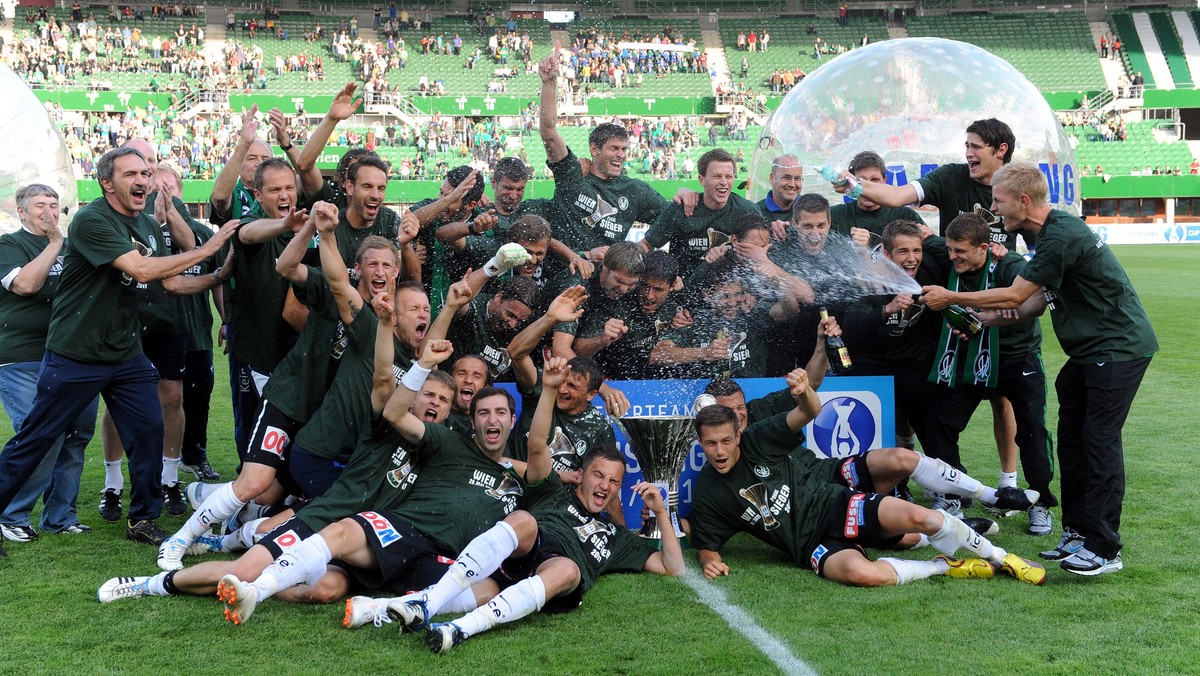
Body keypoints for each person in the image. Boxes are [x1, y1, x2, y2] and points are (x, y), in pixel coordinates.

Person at [921, 163, 1158, 576]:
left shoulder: (1061, 233)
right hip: (1089, 353)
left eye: (998, 199)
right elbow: (1034, 301)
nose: (992, 207)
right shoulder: (1045, 234)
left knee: (1099, 441)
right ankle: (1078, 533)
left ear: (1023, 201)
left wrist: (955, 300)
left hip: (1119, 348)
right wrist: (989, 322)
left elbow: (1016, 291)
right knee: (1071, 441)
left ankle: (1105, 548)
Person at [0, 147, 236, 548]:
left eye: (145, 173)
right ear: (106, 183)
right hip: (75, 352)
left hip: (125, 355)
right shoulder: (93, 219)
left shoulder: (145, 224)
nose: (142, 180)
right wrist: (208, 249)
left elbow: (171, 283)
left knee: (148, 431)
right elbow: (142, 269)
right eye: (130, 174)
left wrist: (220, 274)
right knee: (37, 438)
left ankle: (142, 518)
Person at [370, 357, 684, 652]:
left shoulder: (615, 538)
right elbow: (536, 445)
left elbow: (674, 568)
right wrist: (548, 389)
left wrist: (661, 513)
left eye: (613, 482)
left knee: (568, 568)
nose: (604, 485)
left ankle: (460, 629)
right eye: (598, 475)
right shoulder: (553, 491)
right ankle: (426, 605)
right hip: (519, 556)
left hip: (554, 575)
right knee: (525, 520)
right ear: (582, 475)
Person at [214, 341, 524, 625]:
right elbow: (390, 399)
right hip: (374, 518)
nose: (491, 419)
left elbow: (522, 467)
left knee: (326, 587)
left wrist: (549, 472)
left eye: (499, 413)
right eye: (484, 412)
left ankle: (381, 608)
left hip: (413, 546)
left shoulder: (478, 453)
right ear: (472, 418)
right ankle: (243, 566)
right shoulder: (437, 435)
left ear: (512, 419)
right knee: (318, 531)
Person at [688, 371, 1047, 587]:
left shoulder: (758, 438)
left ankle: (1004, 558)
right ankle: (943, 566)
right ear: (700, 442)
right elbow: (708, 541)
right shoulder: (709, 491)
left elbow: (810, 411)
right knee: (865, 575)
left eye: (725, 441)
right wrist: (708, 559)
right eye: (710, 444)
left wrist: (804, 391)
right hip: (809, 546)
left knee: (921, 517)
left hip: (837, 503)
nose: (719, 451)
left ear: (738, 434)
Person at [921, 213, 1057, 534]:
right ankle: (952, 493)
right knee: (938, 421)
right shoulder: (948, 252)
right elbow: (916, 236)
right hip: (969, 359)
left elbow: (1036, 300)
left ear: (985, 247)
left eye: (960, 251)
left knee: (1033, 431)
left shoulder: (1010, 265)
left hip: (1016, 358)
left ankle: (1041, 504)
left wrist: (987, 315)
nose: (952, 256)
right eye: (950, 249)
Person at [0, 185, 98, 548]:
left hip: (73, 355)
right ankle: (12, 515)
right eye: (39, 205)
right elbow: (25, 285)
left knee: (76, 435)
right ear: (21, 211)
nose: (48, 212)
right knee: (39, 433)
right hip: (22, 356)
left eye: (54, 205)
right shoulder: (8, 244)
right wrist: (56, 244)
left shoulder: (73, 247)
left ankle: (60, 516)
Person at [538, 53, 668, 257]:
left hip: (610, 280)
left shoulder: (635, 190)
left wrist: (644, 246)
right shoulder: (573, 176)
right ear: (594, 149)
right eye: (614, 148)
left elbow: (672, 218)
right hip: (567, 271)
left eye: (624, 149)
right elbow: (548, 131)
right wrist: (549, 82)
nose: (621, 155)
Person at [838, 119, 1018, 249]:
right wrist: (853, 183)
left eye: (976, 147)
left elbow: (1037, 243)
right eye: (967, 146)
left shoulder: (1019, 186)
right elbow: (897, 196)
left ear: (1001, 150)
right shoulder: (951, 176)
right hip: (952, 277)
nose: (968, 153)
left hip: (999, 283)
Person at [642, 148, 762, 280]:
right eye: (717, 176)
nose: (724, 182)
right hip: (684, 292)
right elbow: (645, 245)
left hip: (731, 295)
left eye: (729, 176)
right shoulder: (681, 209)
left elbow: (764, 252)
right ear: (701, 179)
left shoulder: (747, 211)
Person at [829, 151, 925, 237]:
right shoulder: (835, 216)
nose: (867, 186)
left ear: (885, 181)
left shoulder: (906, 217)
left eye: (874, 180)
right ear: (851, 182)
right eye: (861, 180)